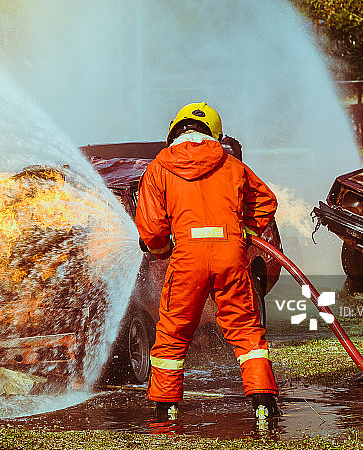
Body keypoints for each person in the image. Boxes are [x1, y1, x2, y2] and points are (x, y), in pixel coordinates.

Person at [135, 102, 280, 424]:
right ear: (214, 133)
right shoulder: (231, 165)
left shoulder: (159, 168)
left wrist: (160, 249)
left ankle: (166, 404)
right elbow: (266, 201)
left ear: (174, 130)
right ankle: (262, 400)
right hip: (231, 256)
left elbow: (151, 226)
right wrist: (245, 231)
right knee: (245, 329)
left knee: (173, 332)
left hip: (187, 259)